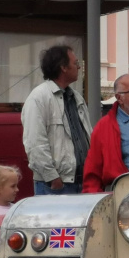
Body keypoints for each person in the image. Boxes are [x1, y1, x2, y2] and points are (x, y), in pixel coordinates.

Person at [22, 45, 92, 195]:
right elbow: (35, 143)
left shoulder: (76, 97)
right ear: (63, 67)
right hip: (55, 186)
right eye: (76, 63)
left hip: (82, 182)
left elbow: (88, 136)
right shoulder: (39, 97)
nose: (79, 68)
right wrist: (52, 178)